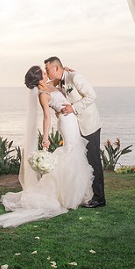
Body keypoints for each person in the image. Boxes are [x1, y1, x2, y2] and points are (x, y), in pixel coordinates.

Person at [0, 65, 94, 228]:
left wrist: (69, 71)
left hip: (71, 118)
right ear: (38, 79)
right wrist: (45, 138)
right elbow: (46, 117)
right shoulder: (42, 95)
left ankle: (72, 193)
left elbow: (63, 84)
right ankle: (67, 195)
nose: (47, 74)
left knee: (73, 151)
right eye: (44, 73)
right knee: (70, 151)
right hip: (66, 122)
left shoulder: (51, 85)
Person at [44, 56, 105, 207]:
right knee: (83, 161)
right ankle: (87, 194)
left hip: (89, 124)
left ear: (56, 68)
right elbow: (49, 87)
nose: (46, 72)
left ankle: (99, 198)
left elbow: (92, 96)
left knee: (94, 160)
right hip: (76, 126)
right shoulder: (62, 80)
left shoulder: (75, 77)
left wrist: (73, 108)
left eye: (47, 69)